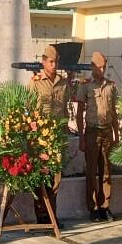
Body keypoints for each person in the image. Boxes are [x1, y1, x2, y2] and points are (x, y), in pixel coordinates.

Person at [27, 44, 73, 226]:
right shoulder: (35, 82)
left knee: (56, 177)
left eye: (56, 62)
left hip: (57, 137)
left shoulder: (63, 82)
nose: (54, 65)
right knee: (41, 176)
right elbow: (29, 110)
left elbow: (65, 108)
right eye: (51, 62)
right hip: (40, 137)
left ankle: (52, 214)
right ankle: (42, 217)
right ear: (43, 62)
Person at [76, 51, 120, 222]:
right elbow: (79, 114)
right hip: (92, 132)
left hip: (107, 131)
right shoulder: (85, 85)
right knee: (92, 171)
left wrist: (117, 134)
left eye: (104, 67)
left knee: (107, 171)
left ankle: (105, 207)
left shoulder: (110, 86)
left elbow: (114, 112)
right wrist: (81, 137)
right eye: (98, 67)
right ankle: (93, 207)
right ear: (92, 67)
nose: (101, 70)